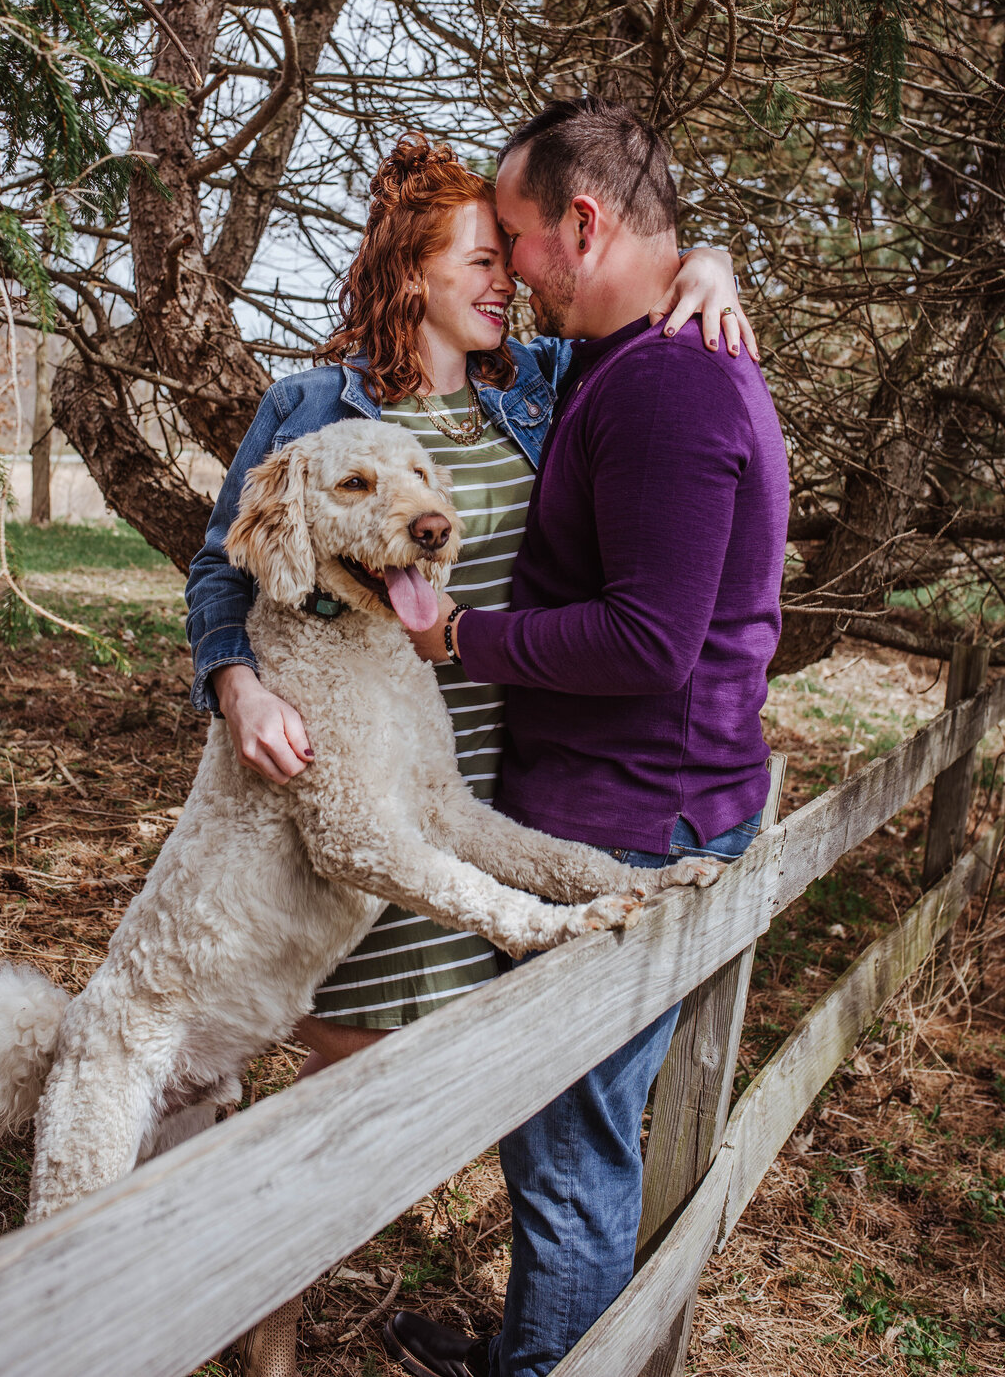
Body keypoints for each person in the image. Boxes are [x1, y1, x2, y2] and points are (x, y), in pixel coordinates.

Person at [184, 131, 753, 1377]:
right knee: (345, 1118)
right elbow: (216, 566)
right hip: (353, 795)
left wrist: (710, 264)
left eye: (512, 256)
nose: (509, 281)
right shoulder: (315, 405)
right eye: (481, 258)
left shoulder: (541, 383)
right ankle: (262, 1337)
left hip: (493, 793)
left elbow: (644, 315)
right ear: (412, 270)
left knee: (458, 1120)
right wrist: (232, 682)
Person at [380, 98, 790, 1377]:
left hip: (626, 819)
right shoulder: (640, 349)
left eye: (516, 237)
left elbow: (646, 643)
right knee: (575, 1140)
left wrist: (462, 640)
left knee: (569, 1158)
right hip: (641, 799)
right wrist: (709, 258)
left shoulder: (667, 383)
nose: (507, 268)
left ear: (585, 222)